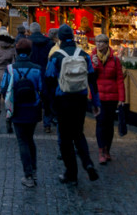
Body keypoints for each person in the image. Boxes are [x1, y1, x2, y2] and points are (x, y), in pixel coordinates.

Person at [44, 23, 99, 185]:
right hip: (81, 99)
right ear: (73, 37)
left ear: (59, 38)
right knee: (78, 133)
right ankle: (88, 163)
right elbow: (92, 80)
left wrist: (50, 103)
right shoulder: (84, 55)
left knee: (65, 137)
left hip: (63, 100)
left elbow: (48, 79)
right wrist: (95, 103)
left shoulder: (56, 56)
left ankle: (71, 173)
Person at [2, 37, 44, 188]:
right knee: (30, 138)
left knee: (22, 141)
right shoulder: (37, 69)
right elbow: (41, 89)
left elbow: (3, 88)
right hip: (32, 108)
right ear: (30, 52)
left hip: (17, 109)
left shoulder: (10, 69)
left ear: (17, 51)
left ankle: (28, 175)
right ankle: (33, 170)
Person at [91, 34, 125, 165]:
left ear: (106, 44)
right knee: (100, 124)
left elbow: (120, 79)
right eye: (97, 42)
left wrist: (122, 98)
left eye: (101, 42)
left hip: (112, 97)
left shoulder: (115, 60)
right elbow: (91, 78)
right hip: (98, 97)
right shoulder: (92, 58)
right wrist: (94, 65)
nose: (98, 44)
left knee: (109, 125)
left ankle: (107, 150)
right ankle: (101, 151)